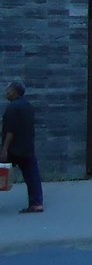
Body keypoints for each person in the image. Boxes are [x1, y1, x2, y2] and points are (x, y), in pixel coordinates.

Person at [1, 79, 43, 213]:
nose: (6, 92)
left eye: (8, 90)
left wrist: (4, 149)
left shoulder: (12, 107)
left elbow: (10, 131)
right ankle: (37, 203)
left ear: (14, 91)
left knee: (2, 172)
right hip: (27, 147)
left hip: (13, 149)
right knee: (32, 175)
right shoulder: (28, 106)